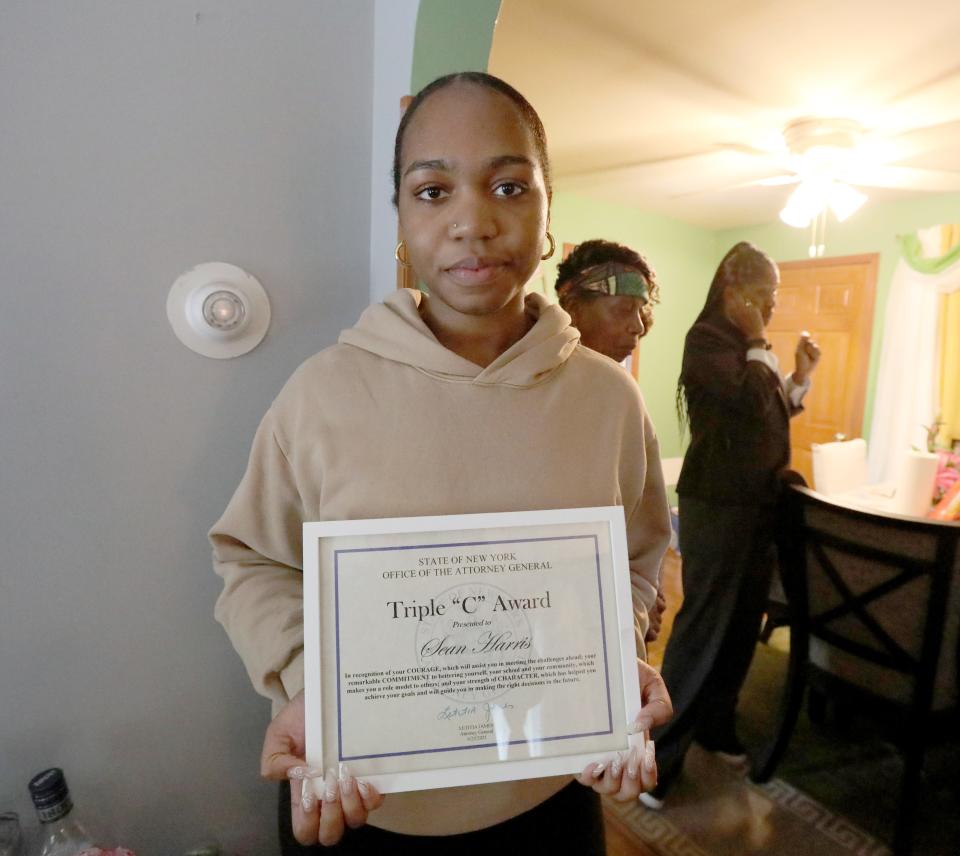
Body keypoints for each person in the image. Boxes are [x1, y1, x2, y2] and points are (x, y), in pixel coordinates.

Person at [209, 71, 674, 852]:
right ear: (400, 217)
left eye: (510, 186)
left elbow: (637, 557)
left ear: (549, 212)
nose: (473, 221)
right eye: (433, 191)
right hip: (366, 806)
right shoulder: (322, 394)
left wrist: (611, 655)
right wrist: (306, 687)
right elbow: (253, 560)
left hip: (548, 799)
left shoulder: (608, 401)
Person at [642, 241, 820, 808]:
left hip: (757, 509)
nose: (770, 307)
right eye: (763, 295)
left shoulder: (745, 347)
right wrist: (762, 345)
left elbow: (769, 412)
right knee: (703, 630)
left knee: (743, 626)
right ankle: (659, 761)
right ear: (733, 293)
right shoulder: (710, 341)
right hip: (719, 508)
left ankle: (715, 728)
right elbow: (746, 403)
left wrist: (799, 377)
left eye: (773, 297)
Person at [555, 239, 667, 641]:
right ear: (572, 306)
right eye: (623, 310)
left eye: (641, 312)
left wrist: (641, 597)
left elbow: (644, 525)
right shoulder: (527, 388)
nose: (637, 326)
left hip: (610, 625)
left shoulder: (623, 396)